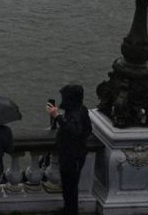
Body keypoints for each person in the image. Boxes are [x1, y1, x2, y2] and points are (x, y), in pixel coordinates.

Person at [47, 85, 92, 215]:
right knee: (69, 187)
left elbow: (74, 131)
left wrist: (57, 116)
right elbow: (86, 131)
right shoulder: (80, 110)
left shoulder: (75, 113)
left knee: (70, 187)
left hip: (72, 157)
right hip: (74, 155)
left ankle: (70, 211)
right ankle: (68, 209)